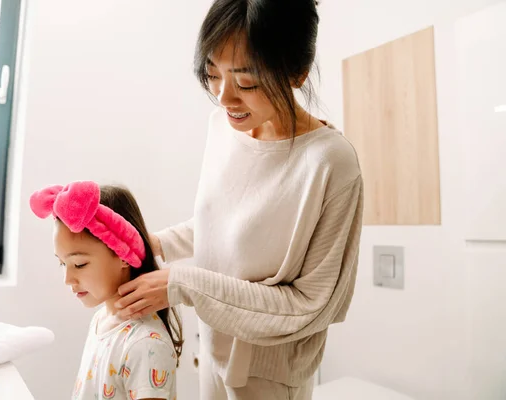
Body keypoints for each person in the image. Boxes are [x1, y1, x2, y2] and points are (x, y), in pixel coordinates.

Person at [114, 0, 364, 399]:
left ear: (297, 73)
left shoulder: (331, 164)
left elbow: (308, 305)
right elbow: (222, 224)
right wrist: (152, 243)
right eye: (213, 74)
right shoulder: (223, 127)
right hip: (210, 352)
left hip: (271, 376)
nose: (224, 97)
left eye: (246, 82)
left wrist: (181, 285)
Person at [29, 181, 183, 400]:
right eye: (63, 263)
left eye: (79, 264)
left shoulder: (145, 344)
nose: (67, 279)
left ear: (122, 254)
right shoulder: (102, 319)